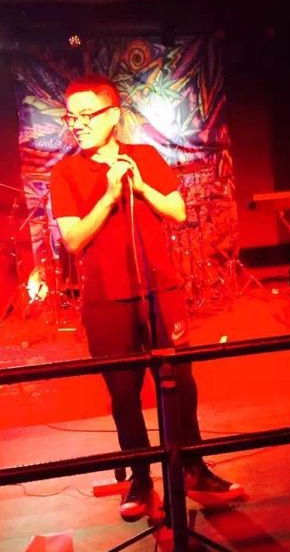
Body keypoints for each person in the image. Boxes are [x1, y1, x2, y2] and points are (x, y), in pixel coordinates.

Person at [50, 74, 244, 522]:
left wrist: (140, 188)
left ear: (113, 116)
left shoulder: (144, 156)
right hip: (106, 300)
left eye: (86, 115)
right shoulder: (65, 172)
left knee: (180, 385)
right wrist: (108, 197)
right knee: (124, 394)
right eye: (71, 117)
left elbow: (176, 210)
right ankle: (140, 478)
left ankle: (193, 467)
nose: (77, 124)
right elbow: (73, 240)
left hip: (159, 290)